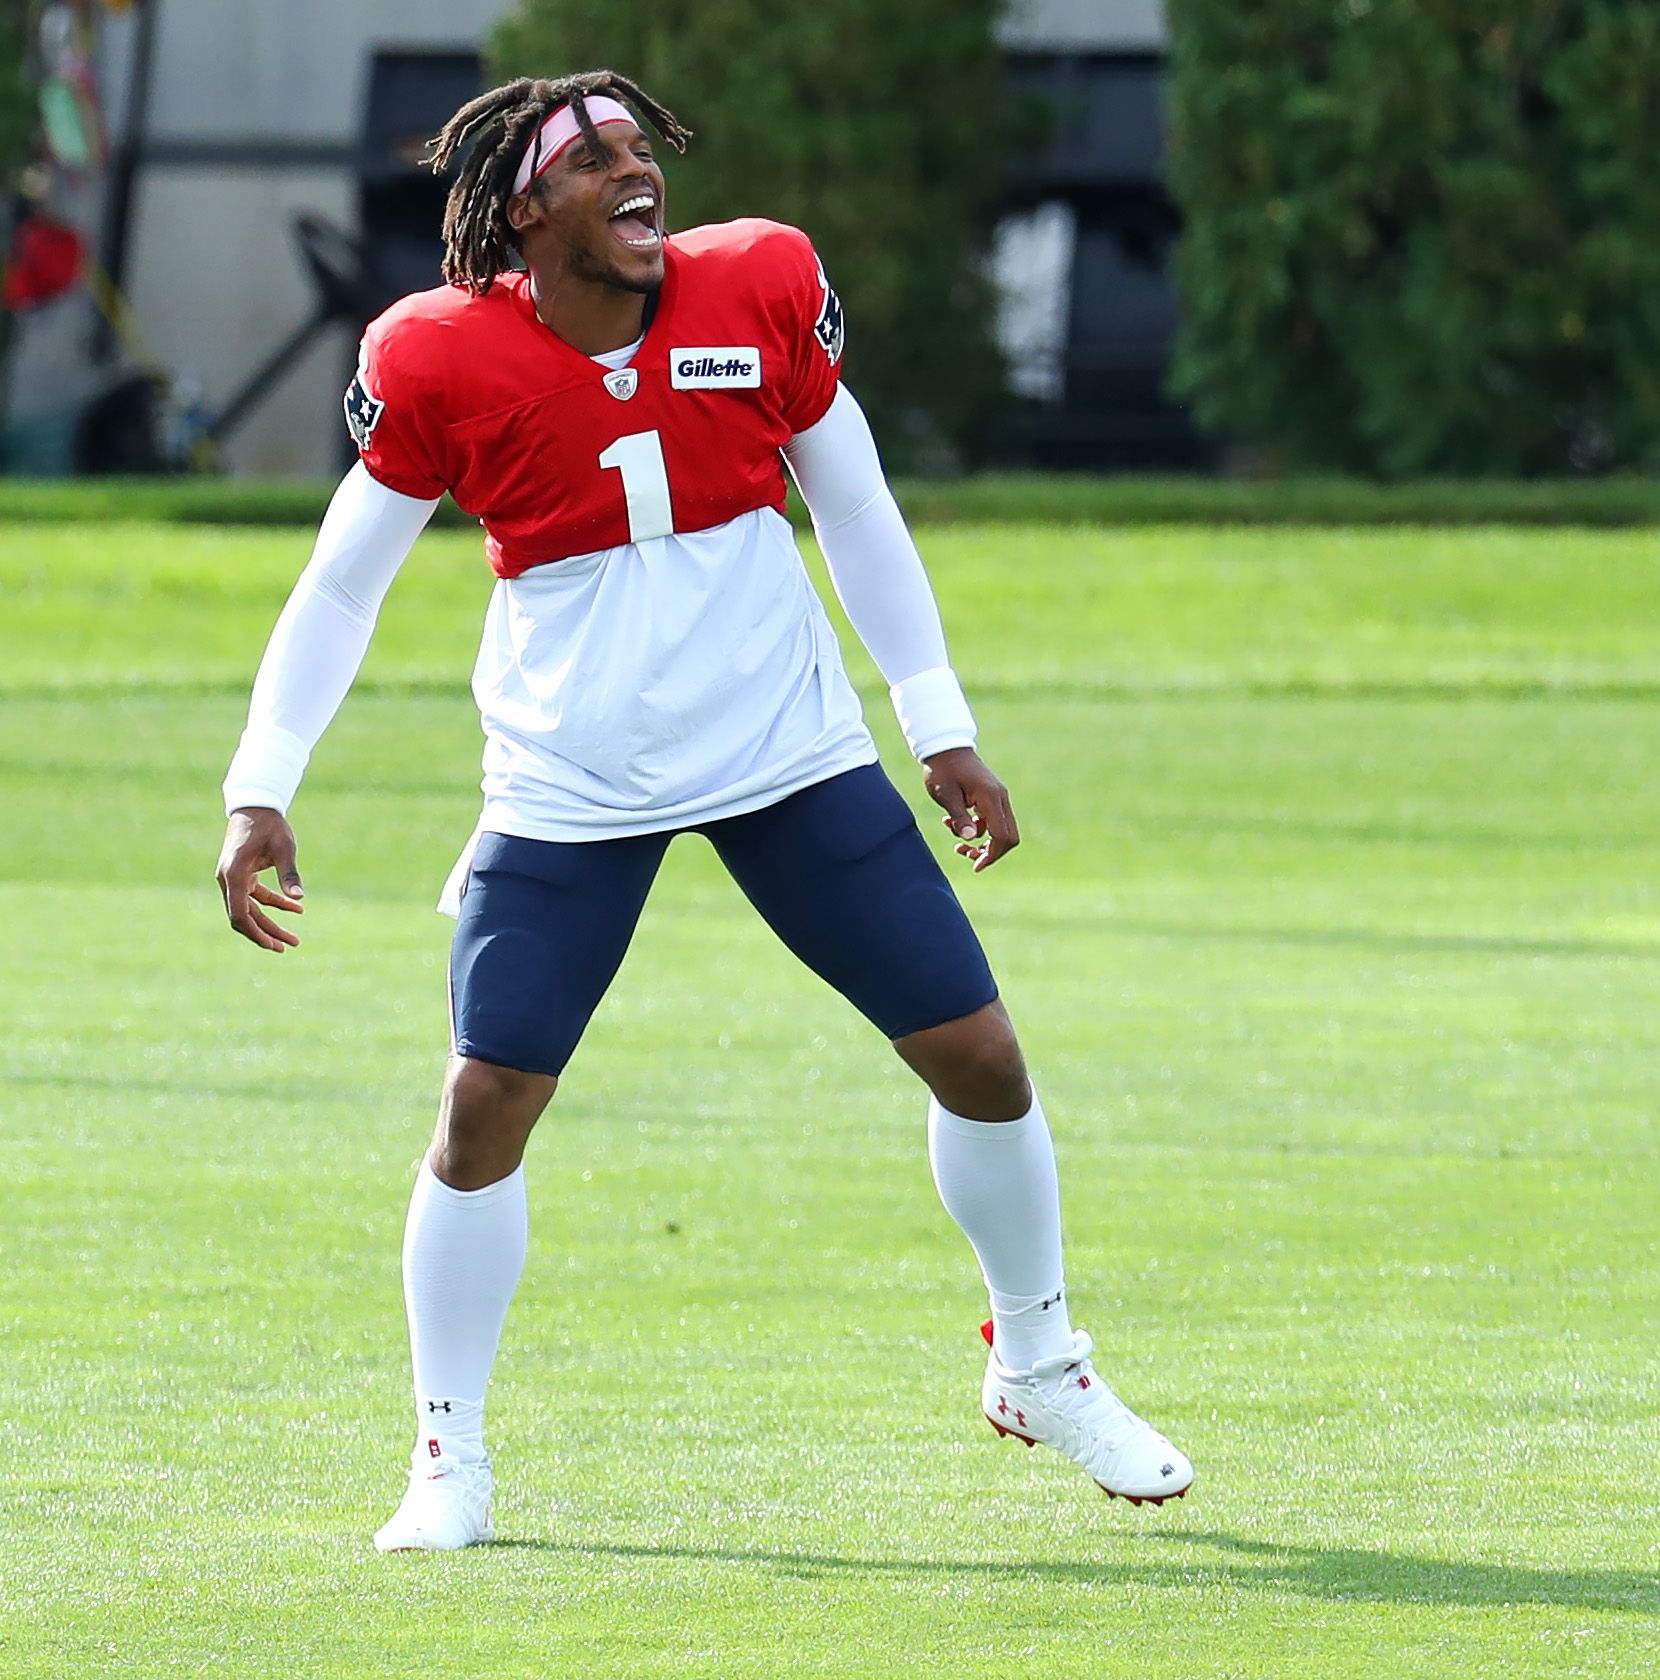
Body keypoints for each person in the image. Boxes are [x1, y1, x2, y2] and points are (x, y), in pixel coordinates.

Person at [211, 71, 1191, 1553]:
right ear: (524, 212)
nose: (634, 169)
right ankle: (449, 1453)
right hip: (569, 782)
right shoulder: (440, 356)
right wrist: (258, 785)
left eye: (639, 146)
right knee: (484, 1108)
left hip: (782, 747)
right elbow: (342, 584)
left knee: (981, 1056)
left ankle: (1040, 1362)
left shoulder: (759, 287)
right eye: (592, 157)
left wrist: (943, 730)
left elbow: (856, 507)